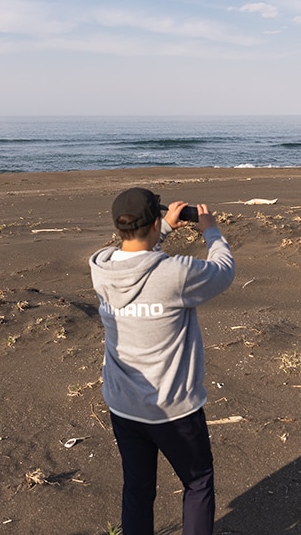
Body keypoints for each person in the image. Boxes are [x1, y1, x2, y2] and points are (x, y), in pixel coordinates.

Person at [89, 188, 235, 535]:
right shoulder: (176, 273)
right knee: (197, 483)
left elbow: (134, 259)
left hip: (124, 404)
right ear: (154, 222)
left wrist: (163, 230)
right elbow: (223, 269)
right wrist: (210, 230)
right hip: (174, 409)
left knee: (137, 490)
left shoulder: (101, 267)